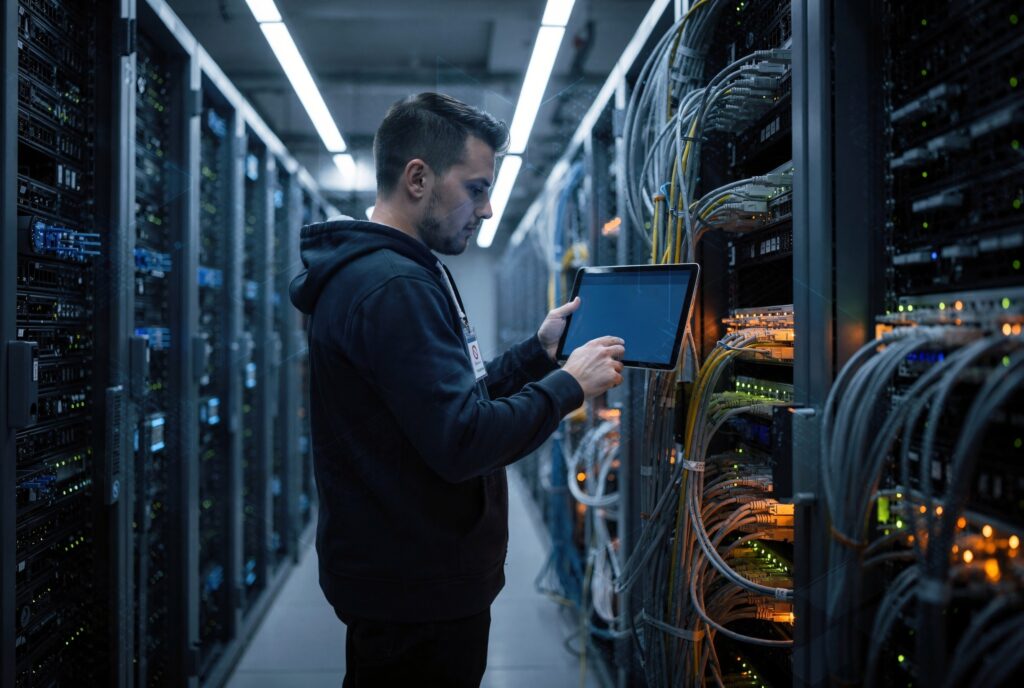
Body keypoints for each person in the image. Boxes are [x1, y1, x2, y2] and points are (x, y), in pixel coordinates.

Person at [289, 92, 625, 688]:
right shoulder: (394, 286)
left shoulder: (388, 274)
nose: (488, 209)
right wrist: (568, 386)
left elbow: (444, 400)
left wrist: (536, 354)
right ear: (418, 178)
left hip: (404, 577)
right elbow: (464, 439)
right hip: (418, 590)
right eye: (476, 188)